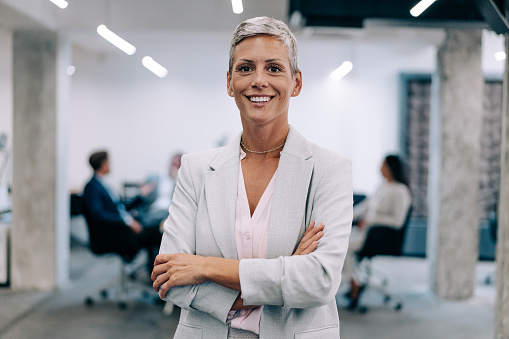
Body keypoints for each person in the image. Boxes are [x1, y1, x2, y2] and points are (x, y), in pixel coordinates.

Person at [151, 17, 353, 339]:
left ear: (296, 82)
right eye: (246, 68)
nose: (259, 80)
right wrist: (284, 274)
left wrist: (206, 267)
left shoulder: (329, 170)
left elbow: (320, 281)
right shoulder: (195, 170)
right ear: (229, 82)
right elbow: (168, 279)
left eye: (274, 68)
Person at [342, 154, 412, 309]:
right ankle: (353, 280)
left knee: (343, 246)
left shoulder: (400, 191)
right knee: (339, 243)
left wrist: (370, 221)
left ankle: (354, 282)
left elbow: (397, 221)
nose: (380, 168)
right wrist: (345, 215)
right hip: (367, 232)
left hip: (381, 236)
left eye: (383, 165)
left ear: (391, 168)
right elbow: (366, 207)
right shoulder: (382, 186)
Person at [81, 150, 162, 272]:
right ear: (103, 164)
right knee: (156, 232)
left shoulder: (104, 184)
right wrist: (127, 222)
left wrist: (140, 195)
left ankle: (152, 272)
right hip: (109, 235)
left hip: (119, 228)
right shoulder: (92, 187)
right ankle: (154, 275)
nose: (110, 165)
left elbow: (120, 207)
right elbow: (99, 215)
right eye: (109, 162)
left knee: (154, 227)